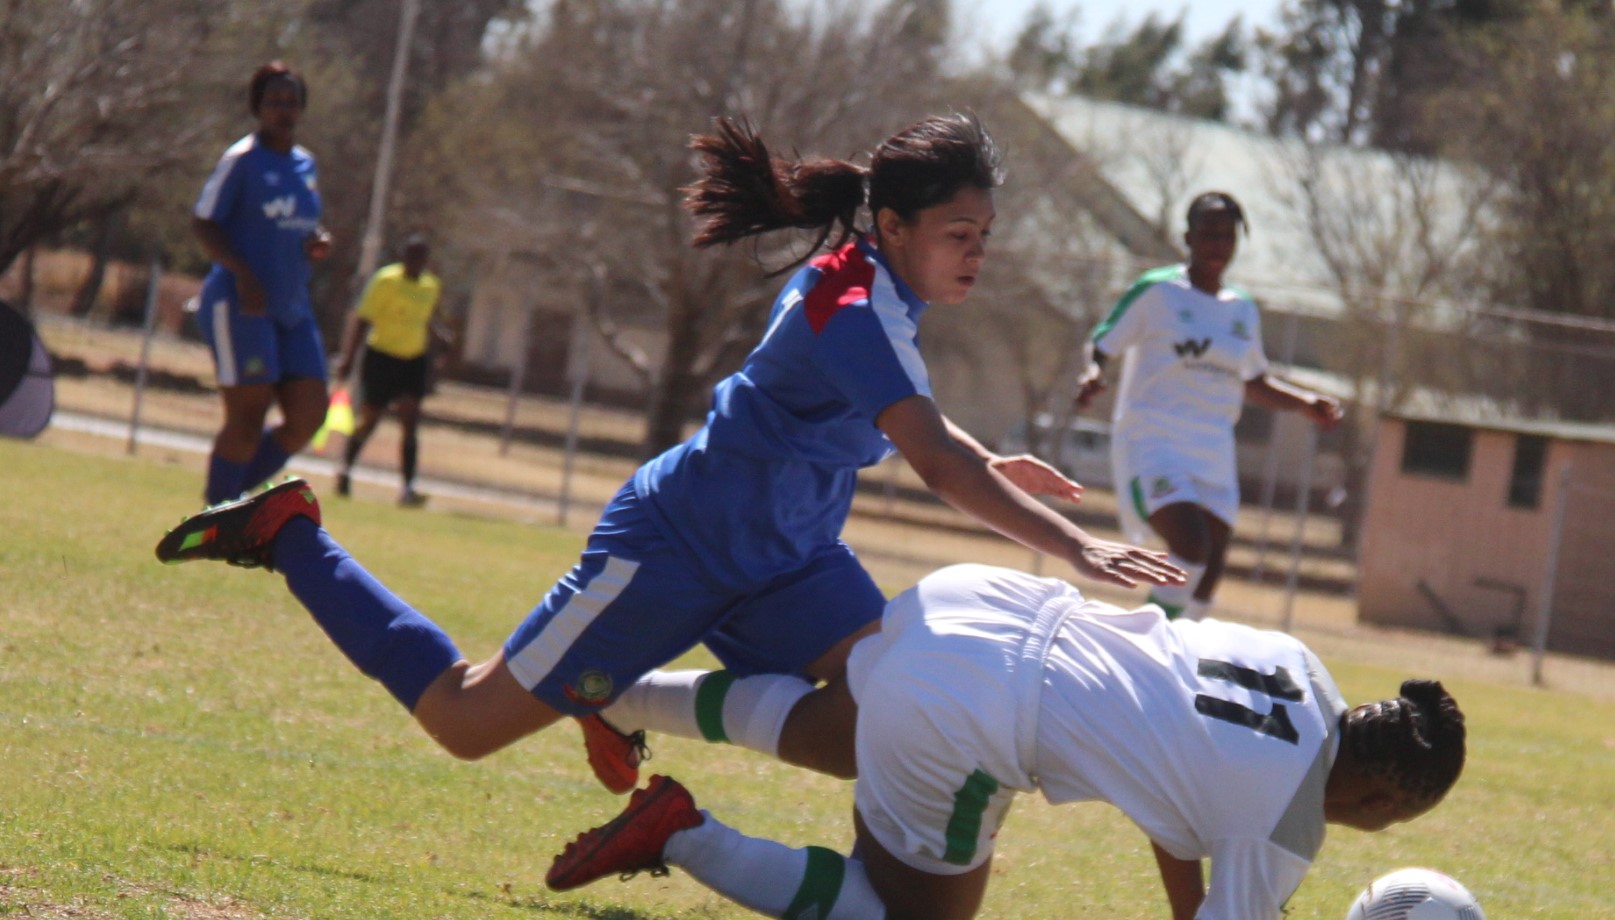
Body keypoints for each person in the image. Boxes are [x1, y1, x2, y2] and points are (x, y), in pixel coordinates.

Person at [154, 114, 1183, 794]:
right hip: (676, 550)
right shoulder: (852, 301)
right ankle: (289, 535)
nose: (978, 253)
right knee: (463, 721)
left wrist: (992, 465)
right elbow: (932, 461)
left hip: (788, 561)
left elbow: (918, 424)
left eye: (985, 233)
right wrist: (1075, 548)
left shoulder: (885, 292)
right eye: (961, 233)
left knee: (880, 719)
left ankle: (622, 695)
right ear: (894, 225)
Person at [544, 563, 1467, 920]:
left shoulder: (1298, 662)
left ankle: (612, 694)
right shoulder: (1287, 826)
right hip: (978, 708)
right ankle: (680, 832)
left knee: (836, 732)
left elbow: (1183, 787)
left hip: (985, 600)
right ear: (1383, 805)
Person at [1077, 192, 1344, 621]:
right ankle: (1143, 642)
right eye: (1208, 234)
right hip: (1154, 439)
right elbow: (1103, 341)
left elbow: (1254, 381)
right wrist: (1093, 372)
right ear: (1188, 237)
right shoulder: (1159, 291)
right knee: (1190, 545)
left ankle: (1184, 650)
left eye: (1227, 236)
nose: (1218, 244)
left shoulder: (1242, 309)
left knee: (1211, 566)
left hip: (1213, 448)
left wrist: (1305, 404)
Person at [191, 61, 333, 506]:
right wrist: (244, 274)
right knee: (248, 418)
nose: (283, 110)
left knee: (309, 415)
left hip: (292, 305)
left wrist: (316, 241)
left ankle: (228, 510)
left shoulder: (305, 164)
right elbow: (204, 222)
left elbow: (297, 221)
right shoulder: (242, 161)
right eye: (274, 101)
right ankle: (218, 514)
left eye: (292, 101)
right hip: (242, 303)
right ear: (257, 107)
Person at [333, 234, 450, 507]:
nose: (416, 262)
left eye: (421, 257)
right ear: (404, 257)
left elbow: (425, 317)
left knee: (410, 420)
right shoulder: (386, 280)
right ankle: (345, 471)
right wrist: (349, 358)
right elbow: (363, 319)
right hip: (382, 356)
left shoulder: (430, 286)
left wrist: (441, 337)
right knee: (370, 419)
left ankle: (408, 488)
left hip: (413, 359)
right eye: (412, 256)